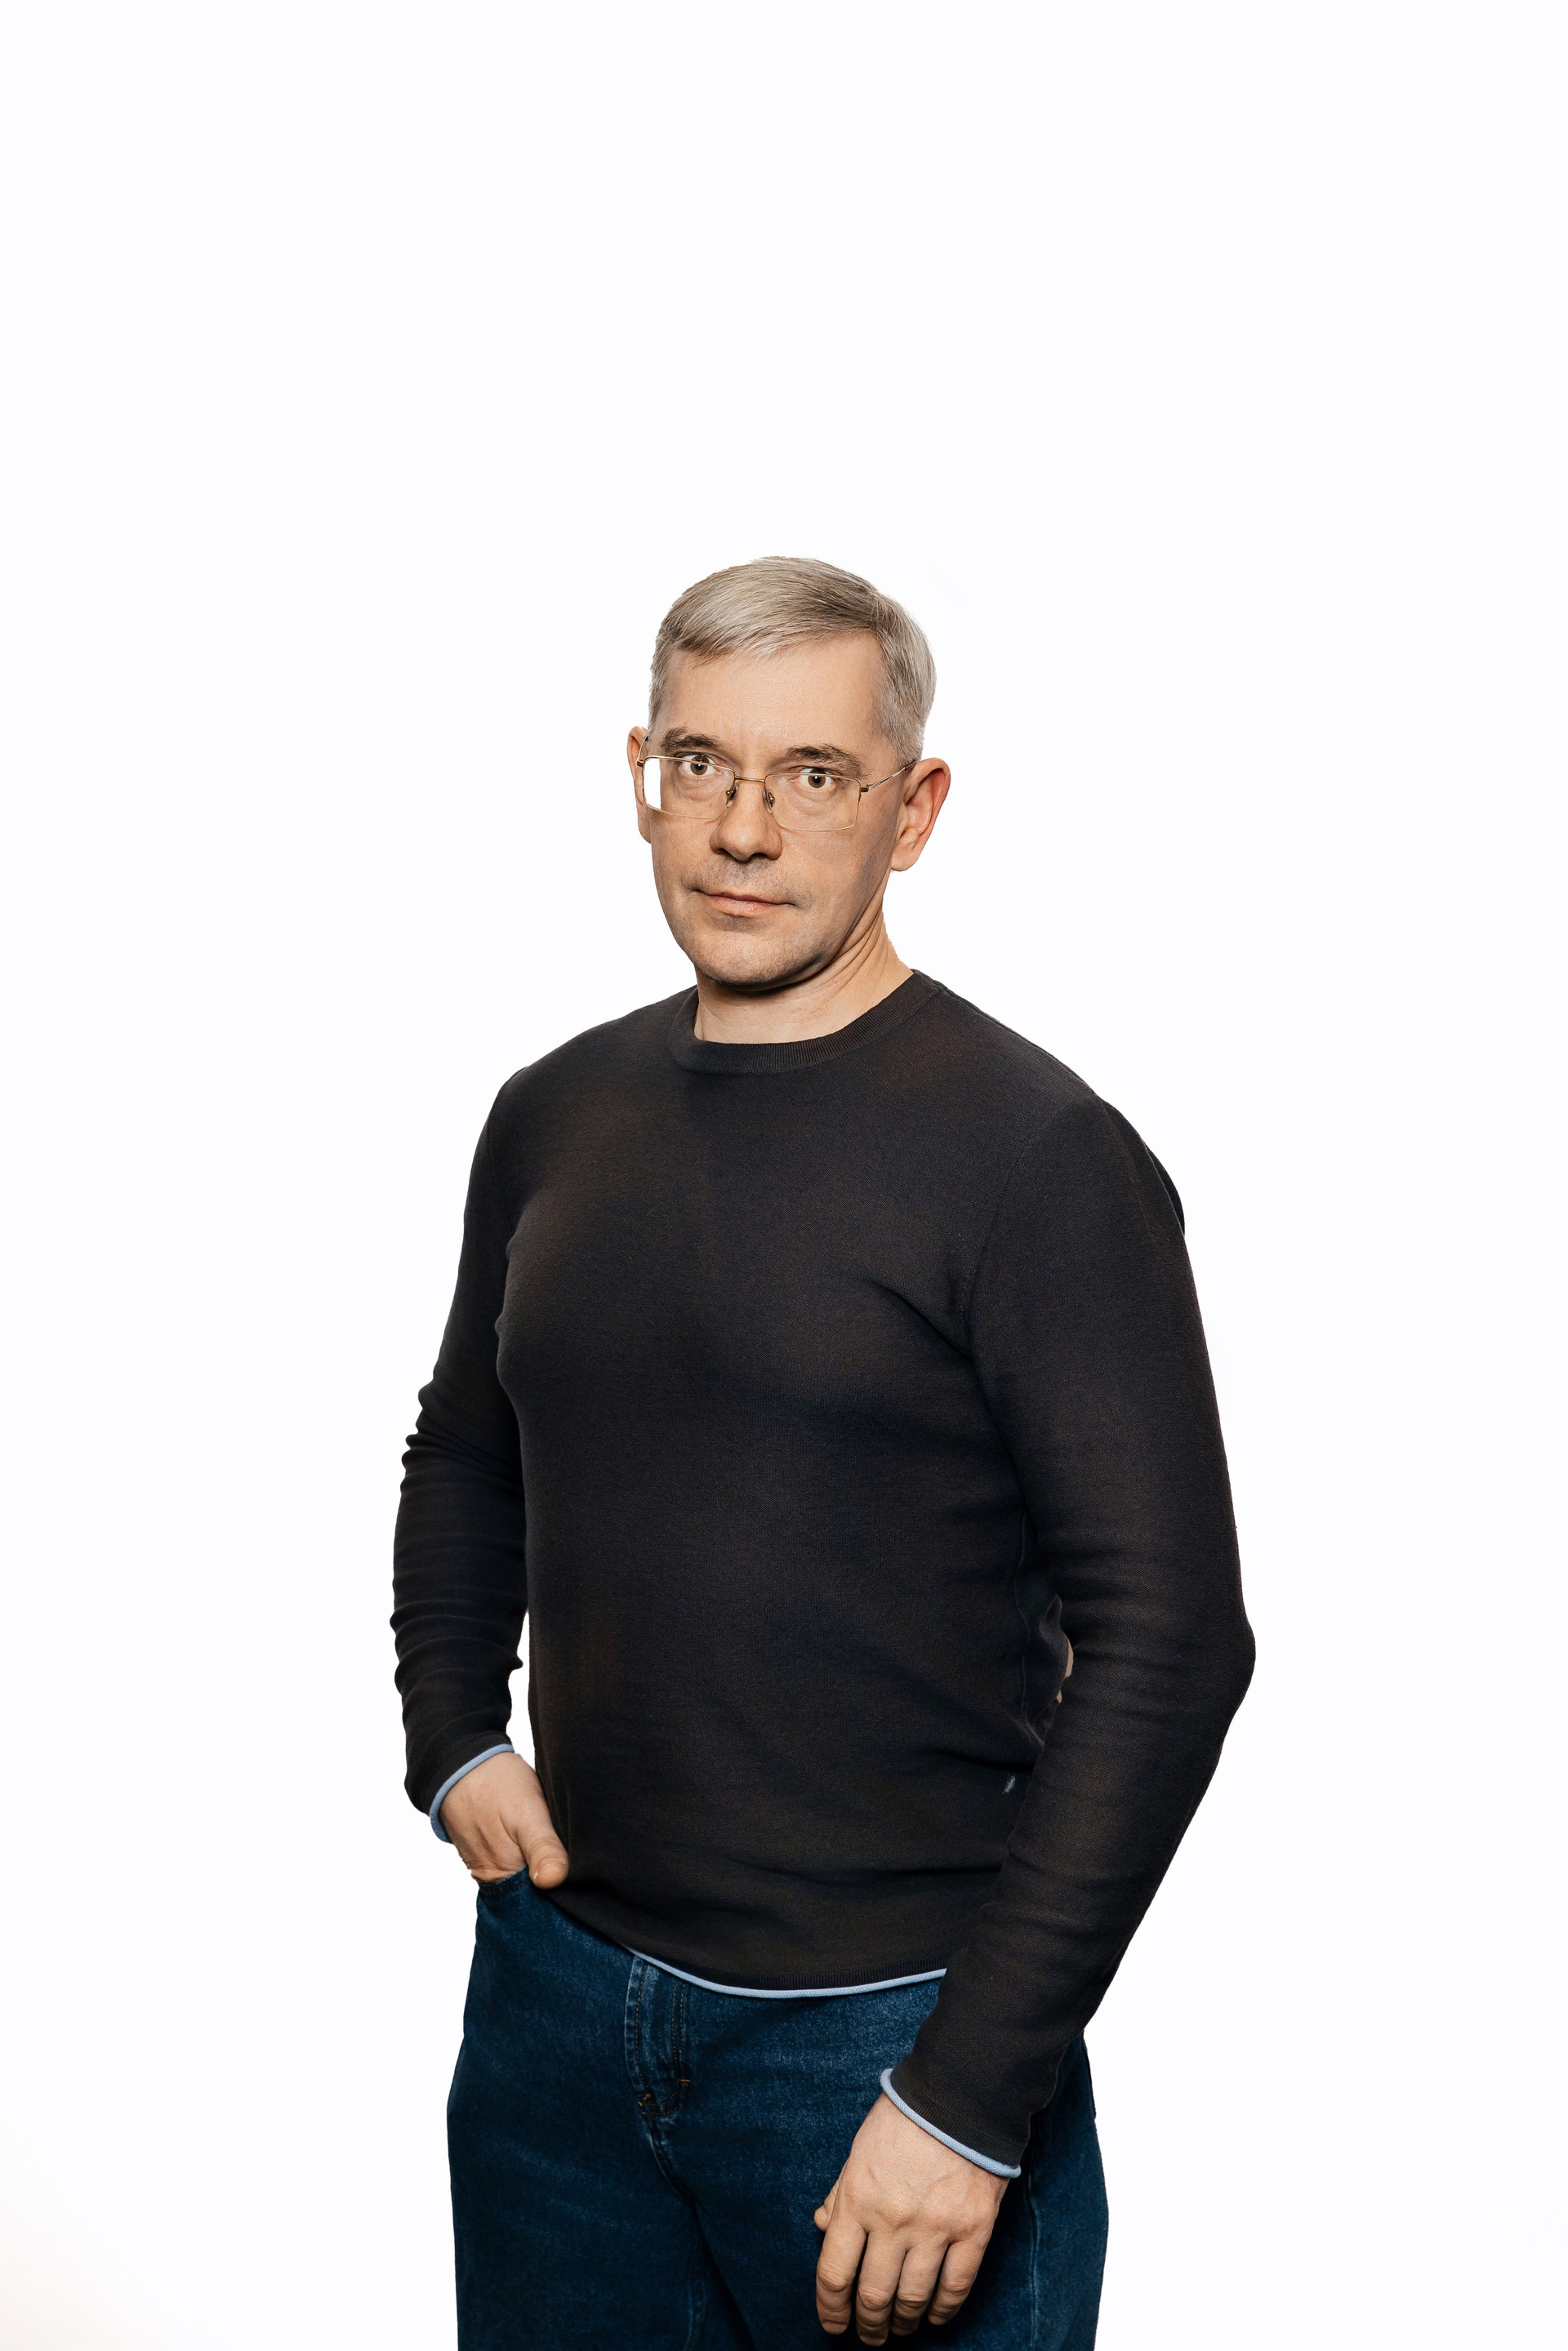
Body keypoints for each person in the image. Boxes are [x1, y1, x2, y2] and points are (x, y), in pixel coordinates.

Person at [392, 557, 1254, 2350]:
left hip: (881, 2048)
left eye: (813, 775)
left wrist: (969, 2096)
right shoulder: (554, 1114)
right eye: (701, 764)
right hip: (558, 2017)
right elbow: (469, 1444)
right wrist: (454, 1727)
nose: (743, 830)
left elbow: (1172, 1644)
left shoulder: (1037, 1157)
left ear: (911, 810)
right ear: (641, 775)